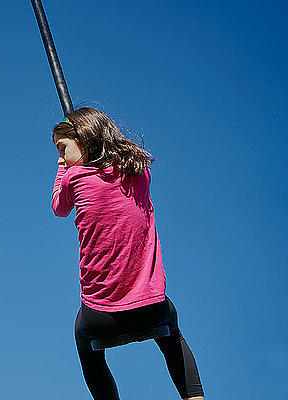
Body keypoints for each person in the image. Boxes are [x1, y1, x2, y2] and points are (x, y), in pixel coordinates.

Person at [51, 107, 205, 400]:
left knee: (85, 343)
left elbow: (59, 207)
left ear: (83, 139)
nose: (60, 157)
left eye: (62, 148)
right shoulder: (140, 171)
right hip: (151, 306)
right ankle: (194, 397)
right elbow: (120, 157)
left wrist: (64, 168)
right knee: (172, 334)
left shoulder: (74, 179)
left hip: (101, 315)